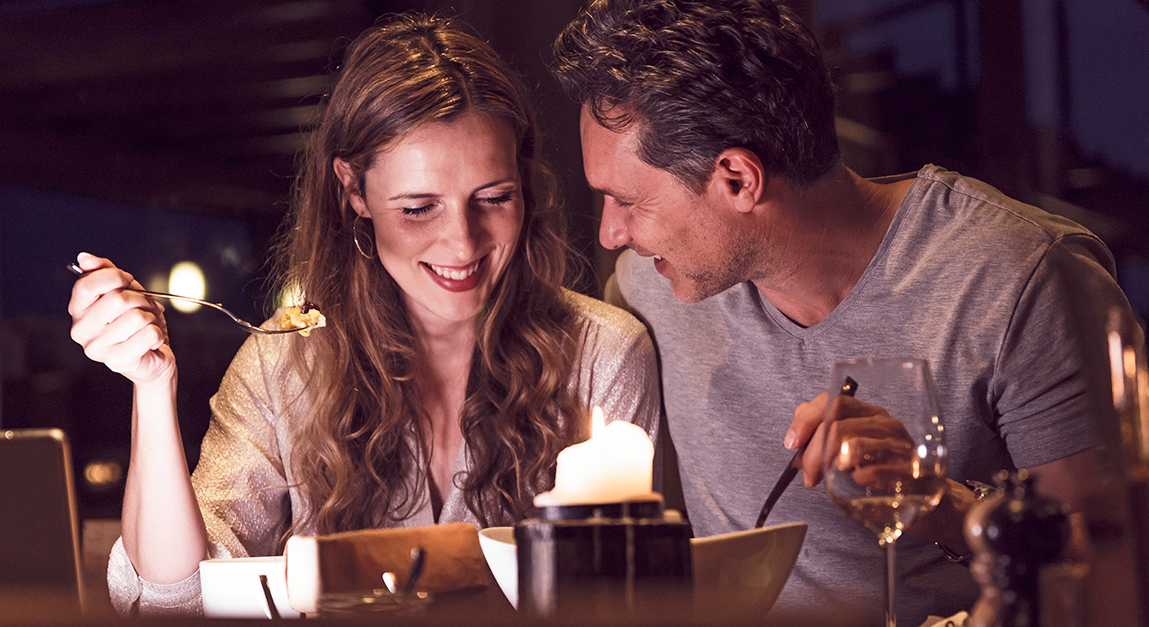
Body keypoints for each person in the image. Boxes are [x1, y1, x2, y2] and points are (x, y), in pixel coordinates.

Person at [551, 0, 1134, 623]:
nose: (610, 233)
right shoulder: (648, 286)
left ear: (738, 180)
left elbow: (1107, 576)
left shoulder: (1023, 281)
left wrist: (934, 502)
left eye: (626, 201)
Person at [68, 13, 659, 616]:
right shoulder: (284, 364)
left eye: (494, 198)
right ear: (355, 193)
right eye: (418, 208)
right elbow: (175, 599)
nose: (463, 243)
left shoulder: (603, 356)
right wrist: (151, 385)